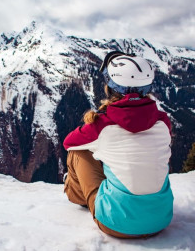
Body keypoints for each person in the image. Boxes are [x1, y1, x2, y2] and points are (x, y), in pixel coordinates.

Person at [63, 51, 174, 239]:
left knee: (78, 153)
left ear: (111, 88)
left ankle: (79, 197)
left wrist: (95, 120)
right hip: (161, 220)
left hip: (116, 224)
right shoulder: (163, 122)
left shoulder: (102, 125)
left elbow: (69, 143)